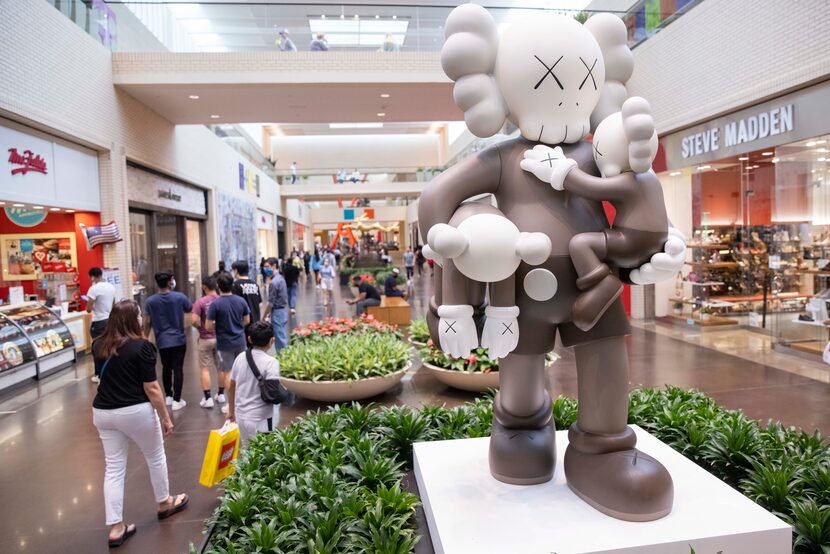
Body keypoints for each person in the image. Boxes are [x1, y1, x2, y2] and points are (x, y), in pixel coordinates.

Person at [92, 300, 189, 548]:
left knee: (113, 468)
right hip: (135, 411)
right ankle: (164, 502)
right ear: (133, 319)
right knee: (155, 456)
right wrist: (166, 417)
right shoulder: (143, 347)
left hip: (103, 412)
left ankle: (116, 528)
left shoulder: (98, 345)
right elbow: (152, 388)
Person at [226, 320, 280, 447]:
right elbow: (274, 391)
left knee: (246, 451)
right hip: (261, 417)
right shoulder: (271, 362)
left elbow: (231, 387)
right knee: (263, 453)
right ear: (272, 341)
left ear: (249, 339)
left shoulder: (240, 357)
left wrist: (231, 411)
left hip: (241, 416)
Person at [143, 272, 192, 411]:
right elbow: (189, 308)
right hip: (178, 339)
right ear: (170, 282)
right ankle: (177, 399)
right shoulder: (179, 297)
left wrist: (145, 337)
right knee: (178, 368)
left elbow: (147, 321)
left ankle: (168, 396)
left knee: (166, 367)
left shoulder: (151, 301)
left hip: (162, 340)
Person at [207, 273, 251, 414]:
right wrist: (237, 327)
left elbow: (208, 326)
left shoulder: (216, 304)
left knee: (228, 373)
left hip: (224, 343)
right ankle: (243, 401)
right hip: (240, 340)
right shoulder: (241, 301)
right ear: (232, 285)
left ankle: (231, 404)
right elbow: (247, 320)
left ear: (218, 286)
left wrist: (219, 327)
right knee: (242, 372)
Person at [191, 276, 220, 409]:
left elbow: (193, 320)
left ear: (204, 287)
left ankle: (208, 398)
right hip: (220, 339)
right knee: (222, 368)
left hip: (205, 339)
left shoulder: (200, 302)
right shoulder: (221, 300)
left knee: (204, 368)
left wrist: (199, 327)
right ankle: (221, 394)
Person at [86, 266, 116, 383]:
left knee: (97, 348)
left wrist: (91, 306)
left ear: (93, 277)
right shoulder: (111, 287)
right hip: (110, 320)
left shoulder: (93, 289)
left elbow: (89, 309)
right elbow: (113, 305)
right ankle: (110, 372)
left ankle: (99, 374)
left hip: (98, 321)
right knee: (109, 346)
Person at [264, 259, 289, 353]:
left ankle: (284, 362)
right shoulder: (280, 278)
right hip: (282, 311)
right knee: (281, 337)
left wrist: (263, 317)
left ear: (274, 266)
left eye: (267, 266)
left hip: (277, 312)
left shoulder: (274, 282)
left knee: (280, 340)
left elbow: (270, 303)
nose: (265, 269)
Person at [231, 260, 262, 325]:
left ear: (236, 270)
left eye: (233, 270)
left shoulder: (235, 285)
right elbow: (260, 304)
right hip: (256, 323)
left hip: (244, 323)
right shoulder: (255, 284)